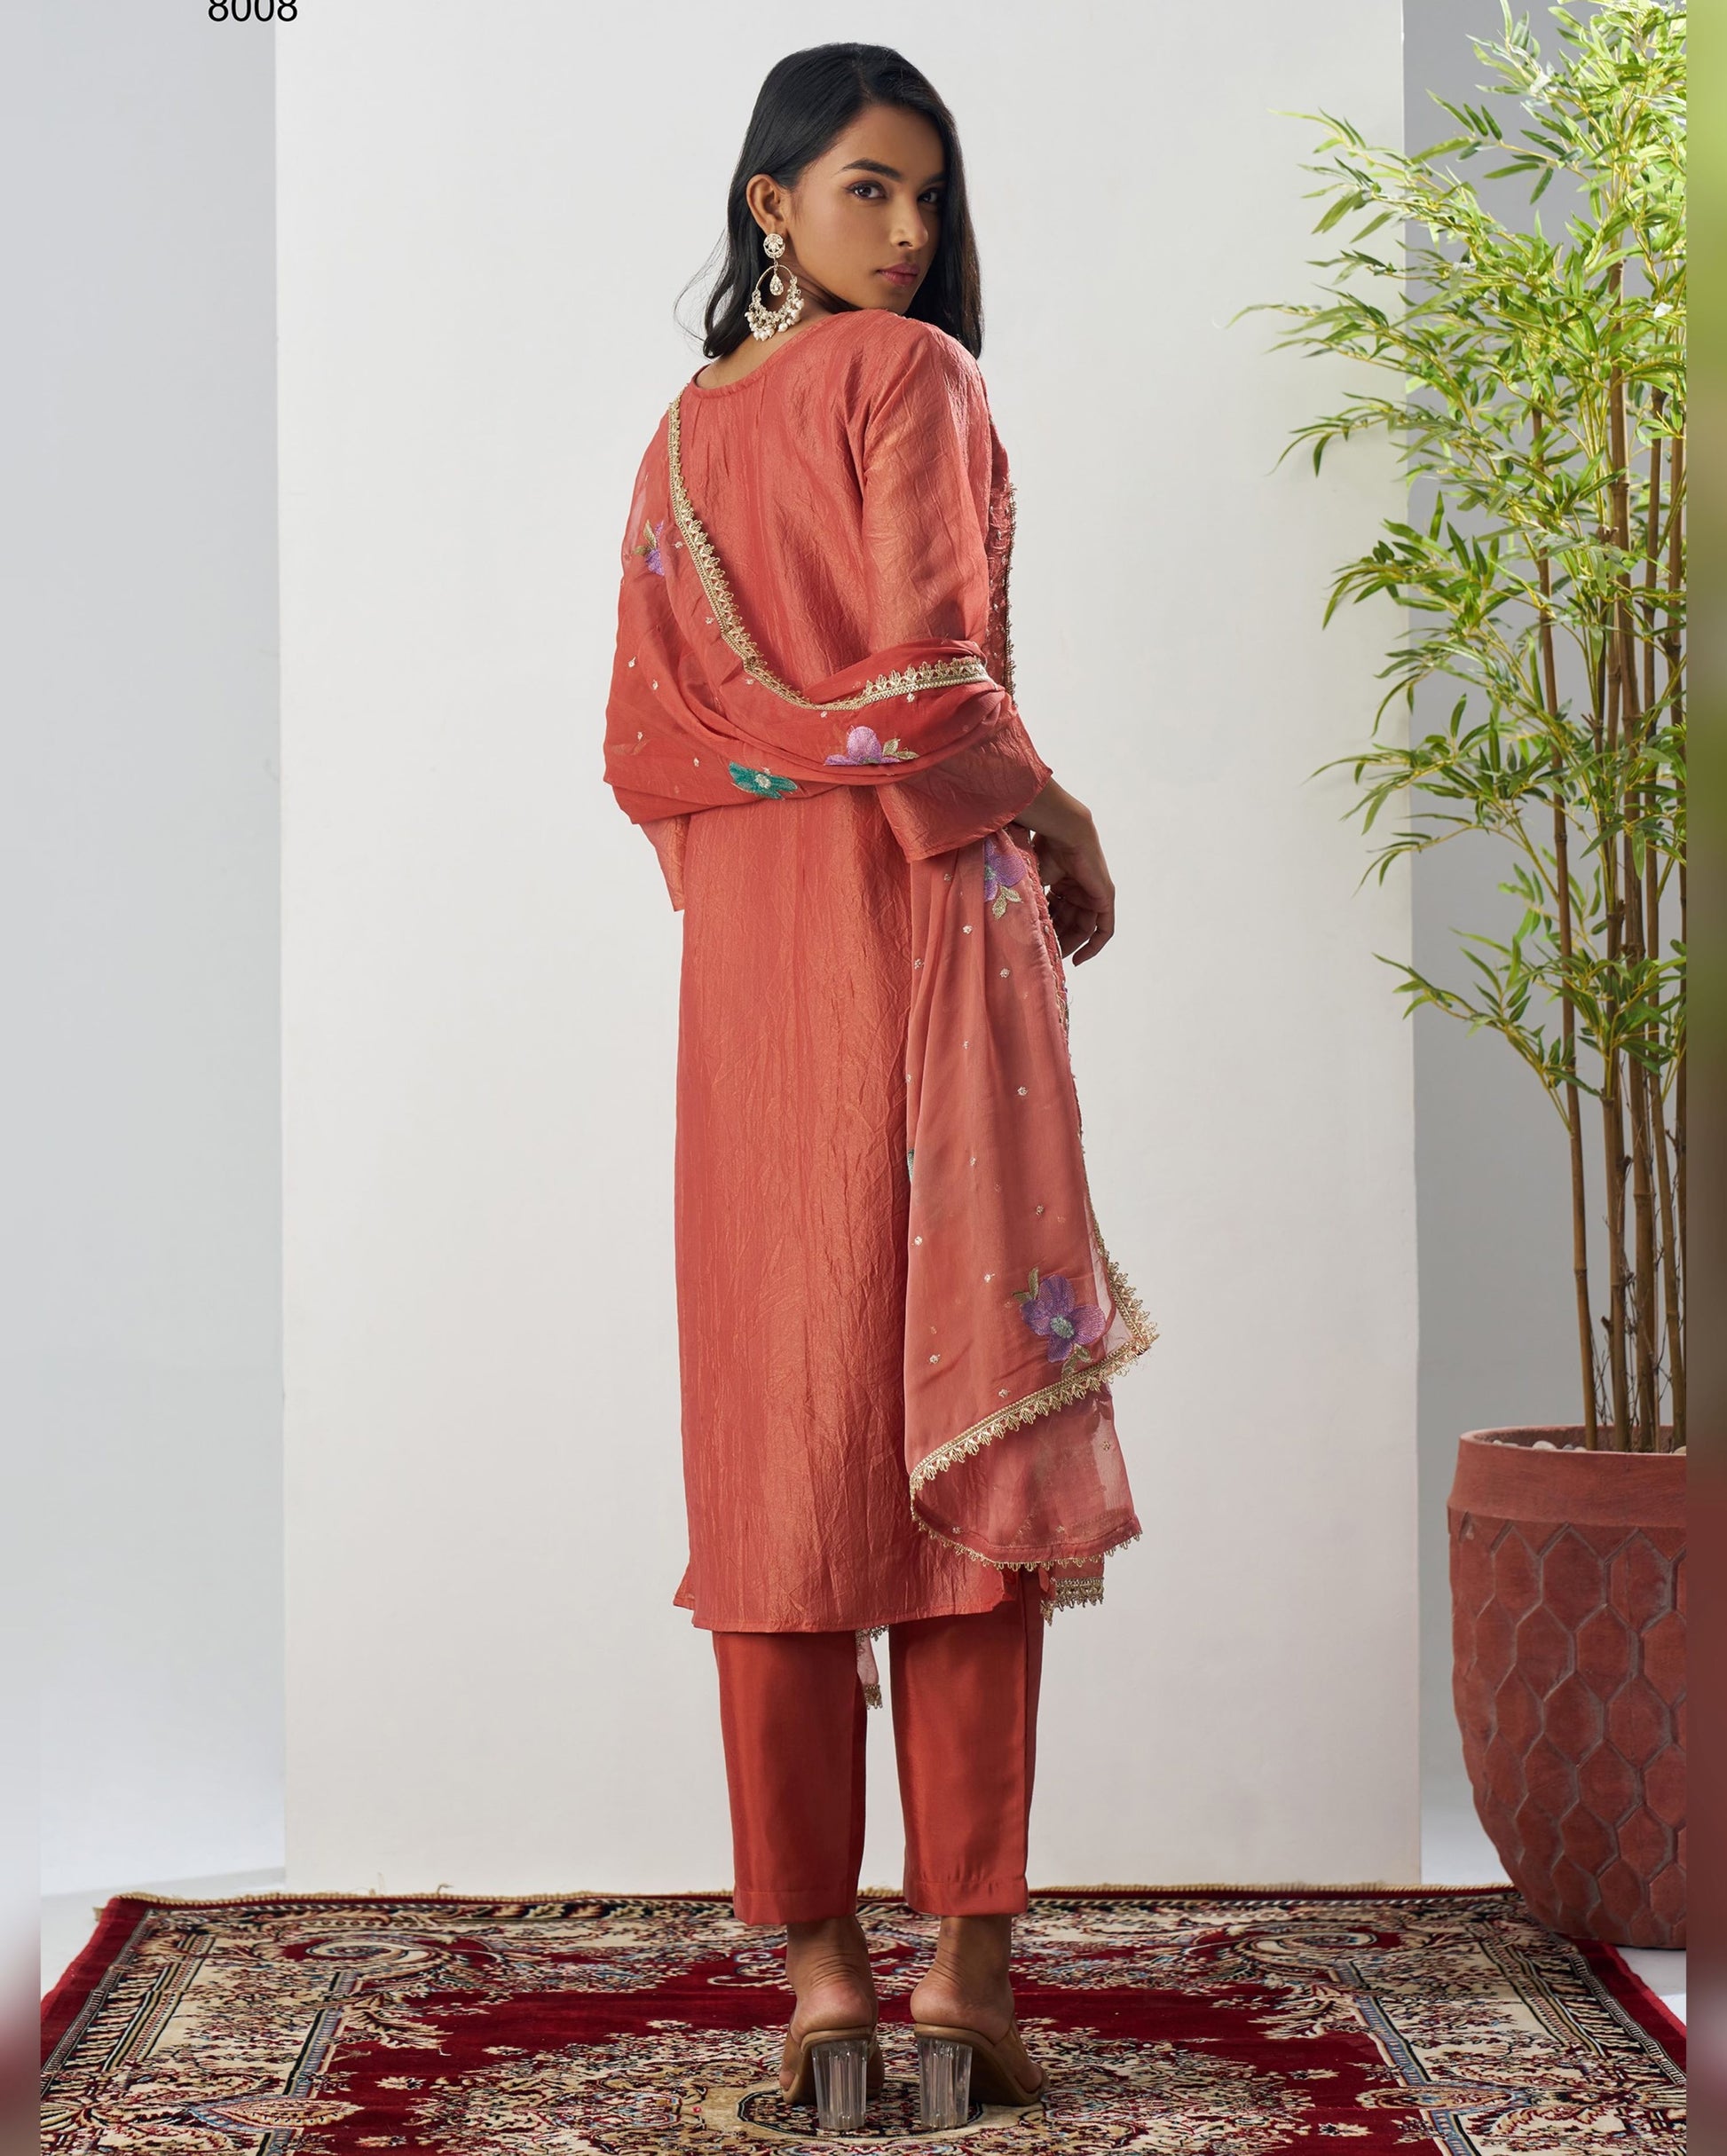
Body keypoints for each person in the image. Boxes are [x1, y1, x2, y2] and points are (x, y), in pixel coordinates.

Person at [601, 42, 1155, 2131]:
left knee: (785, 1468)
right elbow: (934, 685)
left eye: (925, 196)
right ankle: (964, 1991)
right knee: (963, 1466)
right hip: (924, 950)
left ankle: (823, 1991)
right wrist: (1062, 813)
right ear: (769, 207)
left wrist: (784, 813)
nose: (907, 237)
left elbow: (649, 749)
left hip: (755, 996)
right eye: (862, 193)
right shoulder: (906, 382)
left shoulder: (679, 443)